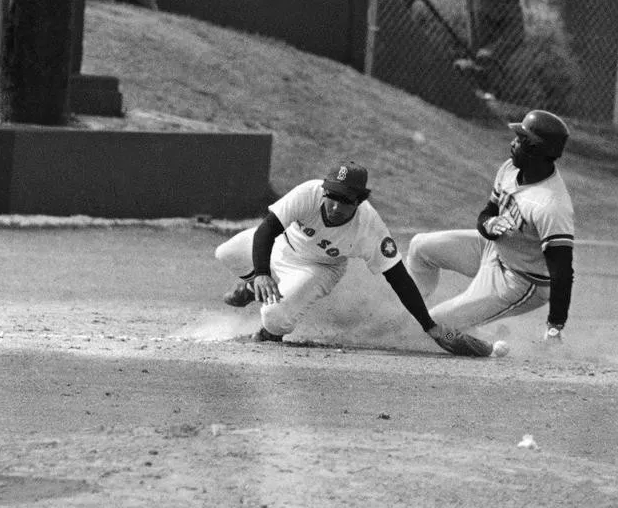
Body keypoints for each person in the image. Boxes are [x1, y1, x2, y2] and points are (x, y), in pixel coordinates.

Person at [215, 160, 496, 355]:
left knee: (275, 317)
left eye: (346, 200)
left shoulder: (369, 227)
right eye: (332, 196)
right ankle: (255, 285)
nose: (335, 206)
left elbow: (399, 279)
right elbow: (266, 231)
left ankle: (268, 336)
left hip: (318, 268)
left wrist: (431, 327)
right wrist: (261, 271)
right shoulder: (309, 192)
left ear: (359, 200)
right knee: (226, 252)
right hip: (281, 245)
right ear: (324, 189)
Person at [405, 110, 575, 344]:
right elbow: (487, 214)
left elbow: (562, 272)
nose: (513, 143)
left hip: (520, 281)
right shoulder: (510, 169)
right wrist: (489, 224)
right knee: (419, 246)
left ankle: (473, 336)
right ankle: (407, 313)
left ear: (535, 149)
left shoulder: (550, 205)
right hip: (492, 249)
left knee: (432, 324)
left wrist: (555, 325)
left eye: (520, 139)